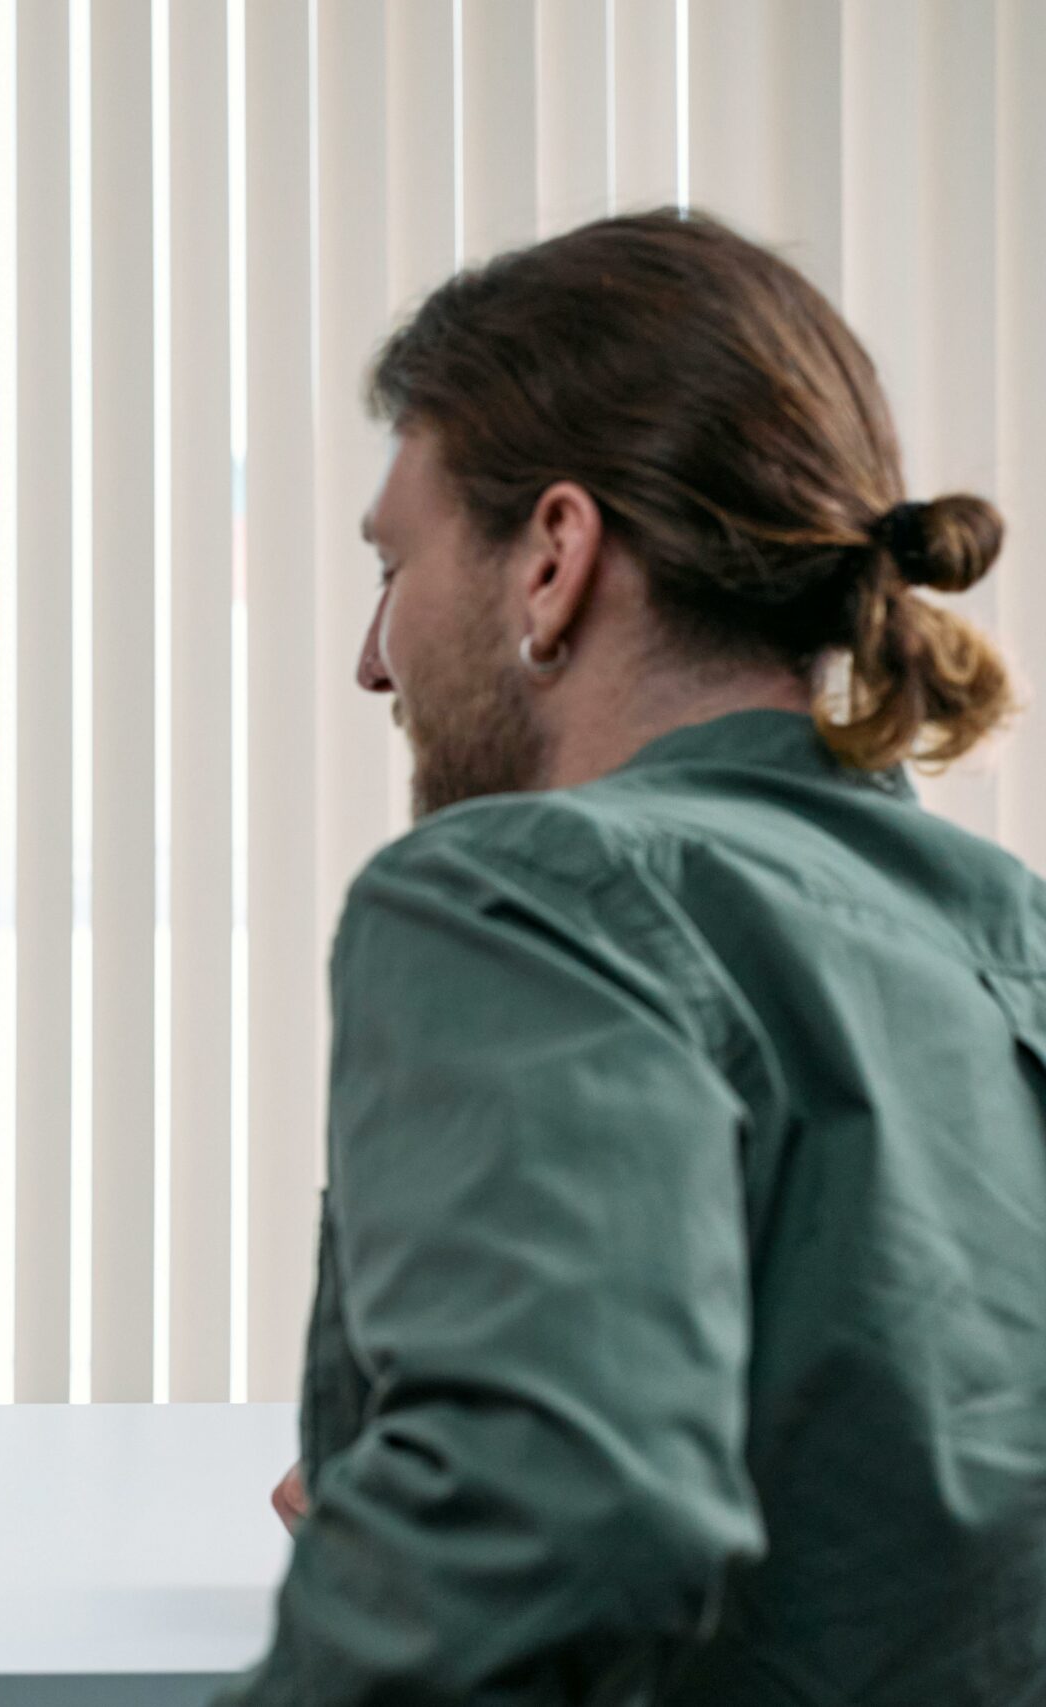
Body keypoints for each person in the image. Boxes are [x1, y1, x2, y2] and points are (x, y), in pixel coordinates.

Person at [224, 212, 1046, 1703]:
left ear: (552, 558)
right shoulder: (1003, 928)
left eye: (393, 565)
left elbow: (550, 1522)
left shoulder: (527, 889)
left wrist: (459, 1496)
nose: (371, 657)